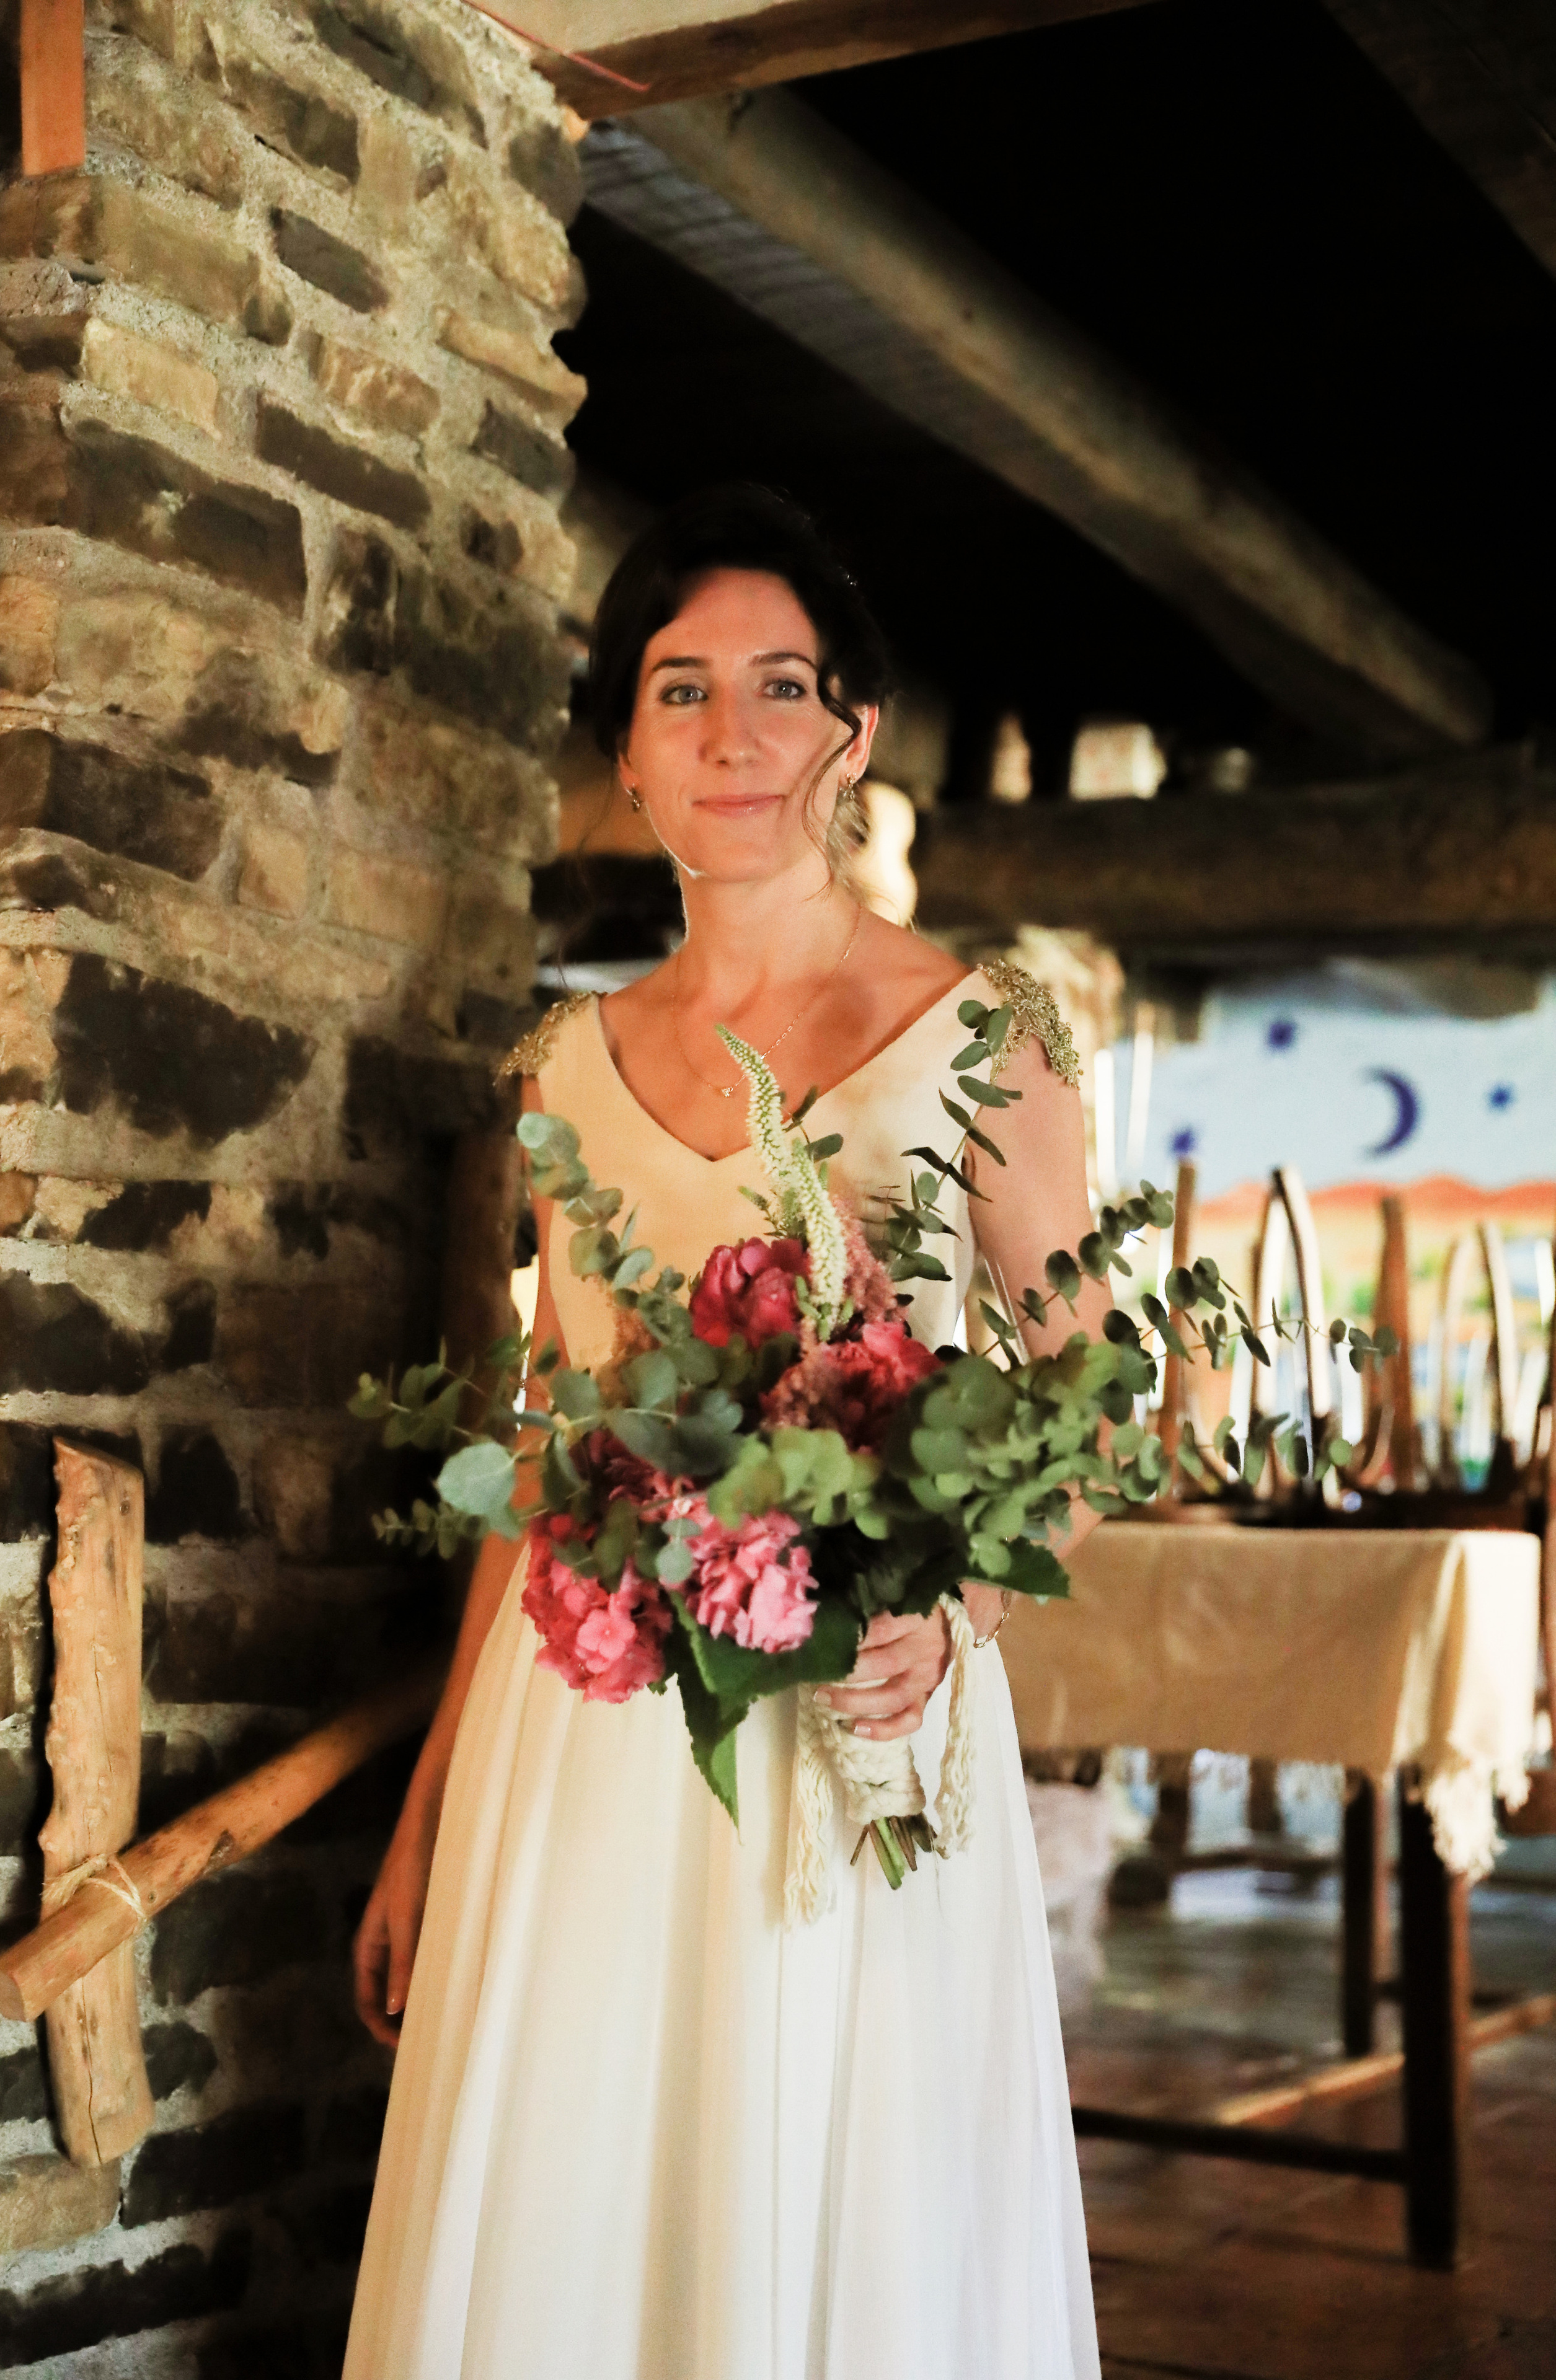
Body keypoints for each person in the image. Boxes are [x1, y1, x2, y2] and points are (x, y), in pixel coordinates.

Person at [344, 486, 1105, 2379]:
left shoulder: (982, 1033)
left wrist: (967, 1616)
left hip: (854, 1733)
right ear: (629, 750)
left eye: (782, 685)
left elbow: (1094, 1420)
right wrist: (436, 1810)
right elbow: (542, 1447)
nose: (734, 732)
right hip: (591, 1742)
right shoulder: (571, 1071)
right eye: (683, 691)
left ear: (852, 735)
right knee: (580, 2210)